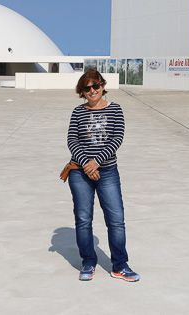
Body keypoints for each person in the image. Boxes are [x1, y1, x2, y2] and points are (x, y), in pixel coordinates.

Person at [66, 69, 139, 282]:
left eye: (95, 86)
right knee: (83, 220)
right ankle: (88, 261)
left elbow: (117, 139)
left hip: (107, 172)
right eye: (87, 88)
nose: (92, 91)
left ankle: (120, 265)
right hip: (79, 173)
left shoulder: (115, 109)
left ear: (102, 86)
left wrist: (96, 162)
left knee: (116, 220)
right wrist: (87, 166)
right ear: (82, 92)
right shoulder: (77, 112)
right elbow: (72, 141)